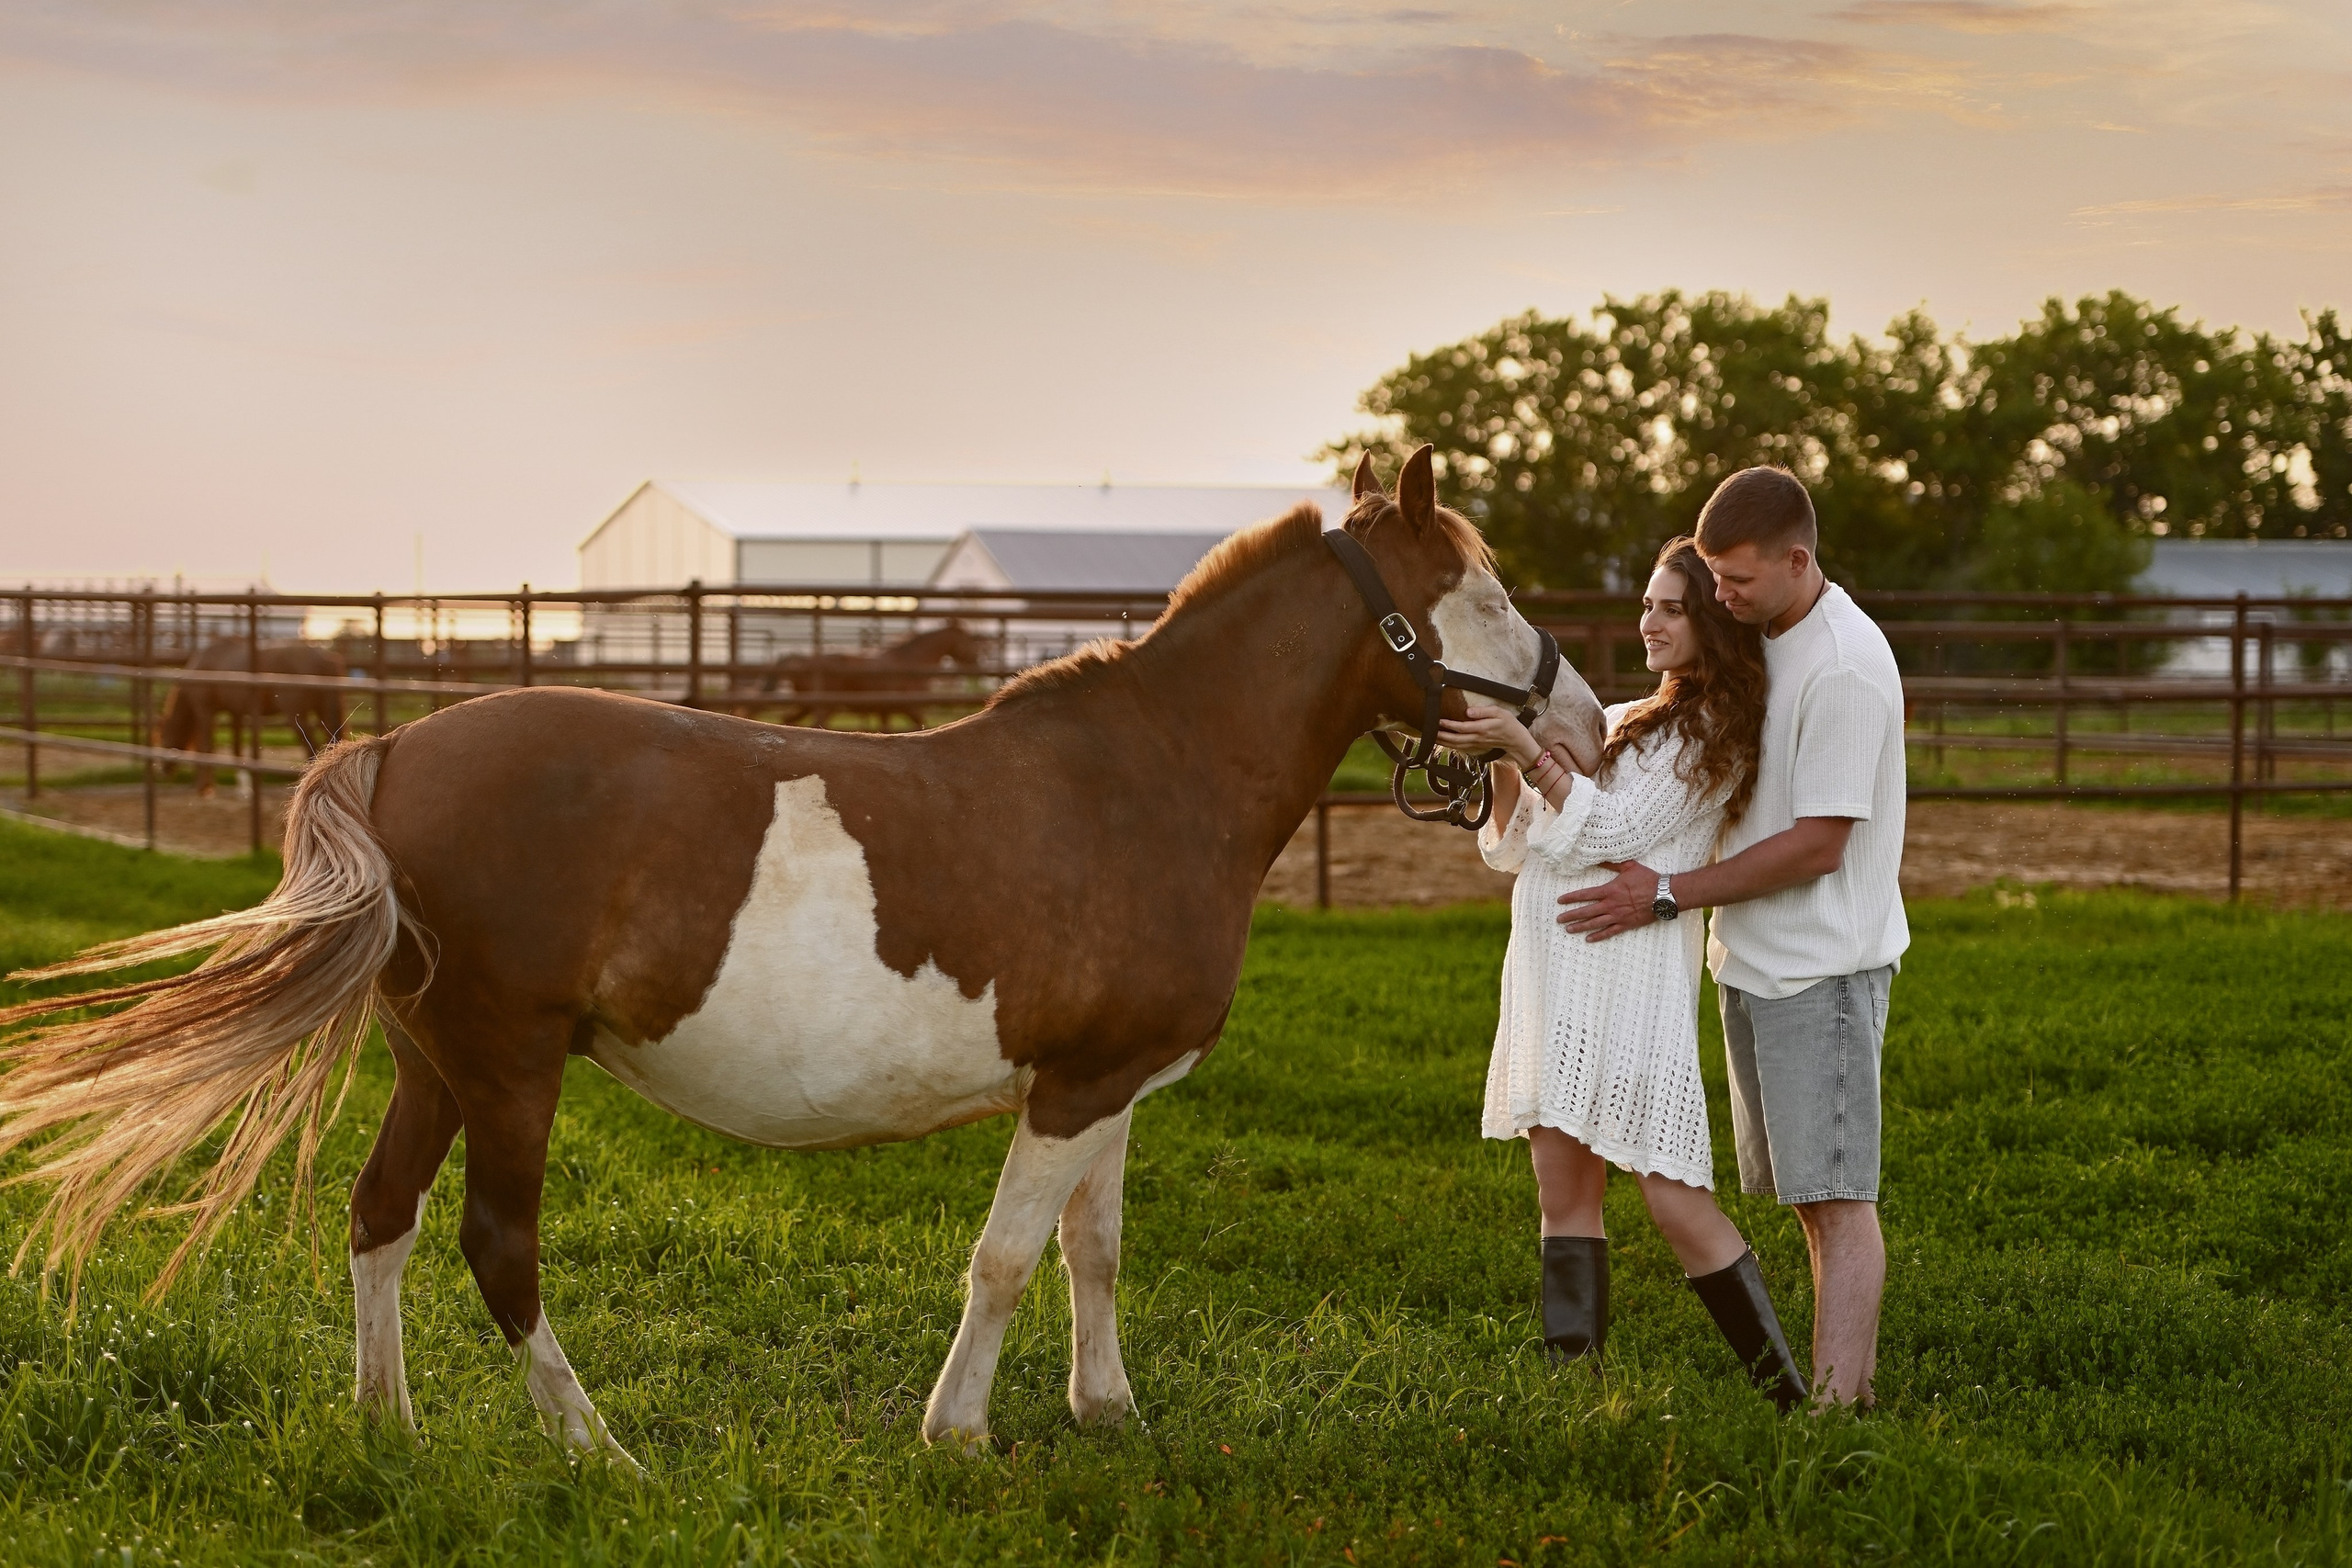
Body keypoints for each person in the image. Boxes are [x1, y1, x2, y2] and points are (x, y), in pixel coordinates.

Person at [1555, 466, 1907, 1408]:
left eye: (1736, 580)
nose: (1720, 597)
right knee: (1806, 1198)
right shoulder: (1770, 639)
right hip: (1753, 963)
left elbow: (1816, 846)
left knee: (1838, 1200)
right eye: (1710, 577)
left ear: (1798, 559)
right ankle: (1848, 1390)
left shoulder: (1842, 667)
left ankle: (1834, 1415)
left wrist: (1666, 892)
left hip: (1819, 968)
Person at [1437, 536, 1808, 1411]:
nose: (1650, 619)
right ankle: (1575, 1397)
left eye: (1671, 607)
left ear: (1712, 620)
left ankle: (1791, 1397)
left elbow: (1613, 832)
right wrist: (1502, 757)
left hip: (1628, 987)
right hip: (1553, 975)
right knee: (1563, 1194)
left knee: (1675, 1202)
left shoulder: (1714, 728)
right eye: (1646, 603)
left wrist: (1527, 750)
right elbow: (1519, 843)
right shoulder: (1624, 715)